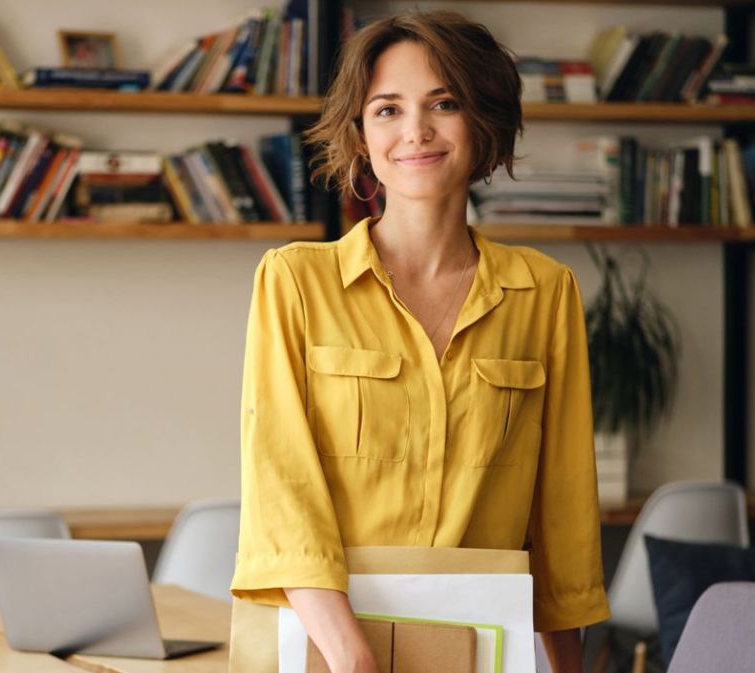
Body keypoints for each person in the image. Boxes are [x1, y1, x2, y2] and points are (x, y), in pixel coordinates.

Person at [231, 10, 609, 673]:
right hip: (328, 641)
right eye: (387, 109)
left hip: (486, 641)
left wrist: (569, 666)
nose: (416, 132)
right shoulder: (293, 281)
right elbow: (281, 490)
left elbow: (563, 515)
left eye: (445, 103)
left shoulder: (546, 292)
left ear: (483, 121)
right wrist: (352, 655)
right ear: (359, 133)